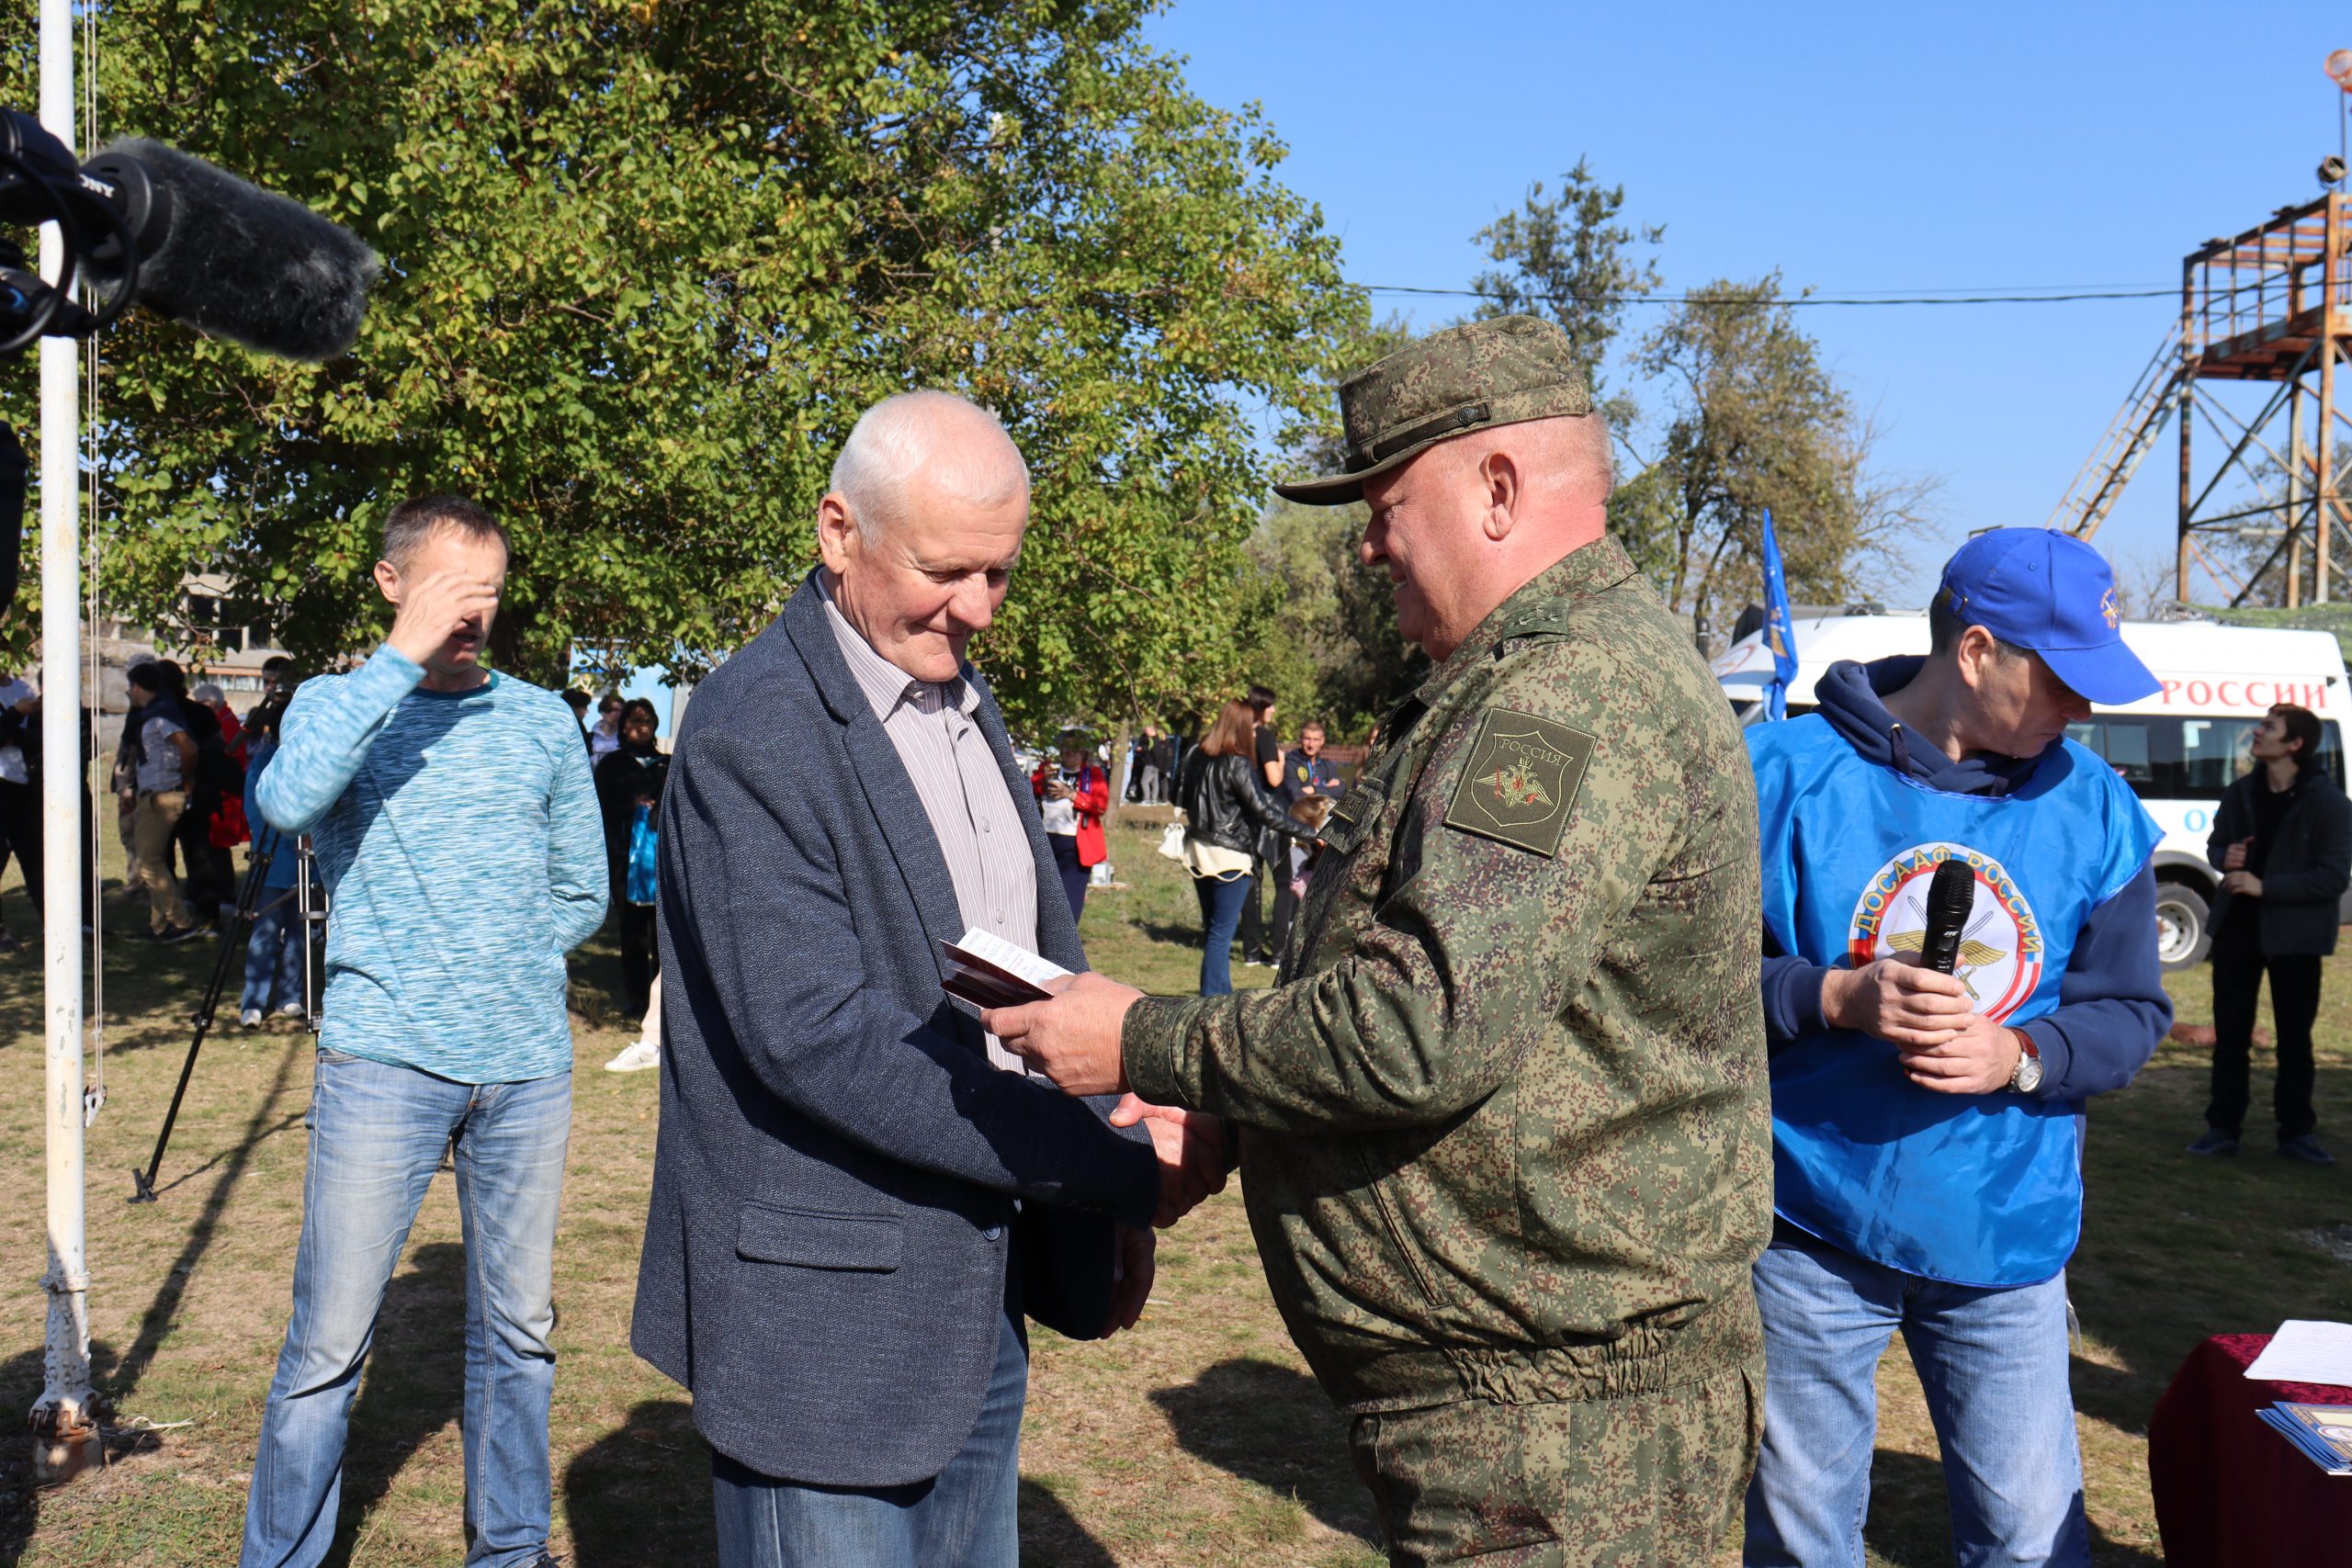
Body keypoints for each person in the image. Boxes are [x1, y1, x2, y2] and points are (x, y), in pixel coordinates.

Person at [986, 315, 1773, 1566]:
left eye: (1385, 506)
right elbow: (1438, 996)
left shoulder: (1566, 695)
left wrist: (1139, 1039)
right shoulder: (1527, 678)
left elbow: (1416, 1026)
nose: (1366, 546)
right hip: (1526, 1412)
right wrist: (1236, 1111)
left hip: (1558, 1436)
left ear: (1498, 490)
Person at [629, 389, 1223, 1568]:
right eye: (947, 571)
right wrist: (1105, 1168)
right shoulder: (758, 727)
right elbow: (820, 1037)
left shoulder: (956, 694)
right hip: (825, 1336)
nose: (979, 608)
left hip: (970, 1306)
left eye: (999, 573)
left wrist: (1108, 1123)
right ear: (837, 532)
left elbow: (1012, 964)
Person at [1737, 527, 2173, 1565]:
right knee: (1801, 1534)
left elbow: (2129, 1012)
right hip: (1805, 1227)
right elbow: (1669, 983)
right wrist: (1829, 995)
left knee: (2029, 1538)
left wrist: (2018, 1055)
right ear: (1976, 652)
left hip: (2004, 1237)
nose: (2083, 710)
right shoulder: (1777, 776)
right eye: (2062, 681)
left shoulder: (2096, 808)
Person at [241, 492, 605, 1568]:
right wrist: (397, 660)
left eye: (488, 592)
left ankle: (510, 1552)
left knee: (520, 1339)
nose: (471, 613)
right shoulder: (336, 704)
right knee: (326, 1348)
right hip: (383, 1063)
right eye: (451, 590)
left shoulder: (540, 719)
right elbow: (286, 805)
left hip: (526, 1070)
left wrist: (503, 956)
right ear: (391, 583)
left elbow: (582, 886)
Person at [2190, 702, 2349, 1165]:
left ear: (2295, 743)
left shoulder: (2330, 803)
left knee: (2295, 1040)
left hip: (2296, 939)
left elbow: (2333, 877)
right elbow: (2216, 847)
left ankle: (2296, 1135)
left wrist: (2265, 887)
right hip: (2237, 932)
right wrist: (2226, 857)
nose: (2257, 732)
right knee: (2231, 1037)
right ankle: (2222, 1129)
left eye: (2269, 727)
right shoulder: (2240, 791)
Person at [1173, 699, 1305, 998]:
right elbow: (1263, 811)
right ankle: (1211, 1000)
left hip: (1198, 850)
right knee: (1221, 934)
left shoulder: (1196, 755)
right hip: (1230, 854)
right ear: (1244, 727)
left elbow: (1176, 795)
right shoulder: (1238, 762)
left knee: (1215, 931)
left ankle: (1221, 996)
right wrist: (1308, 832)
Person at [237, 685, 308, 1028]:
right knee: (265, 931)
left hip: (305, 863)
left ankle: (291, 995)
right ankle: (253, 1001)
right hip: (272, 860)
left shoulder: (312, 761)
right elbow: (255, 809)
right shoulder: (264, 762)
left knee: (299, 933)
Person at [594, 695, 669, 1021]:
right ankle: (637, 1000)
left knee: (664, 934)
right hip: (626, 860)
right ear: (623, 726)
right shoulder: (612, 766)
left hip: (662, 864)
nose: (641, 726)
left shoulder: (667, 764)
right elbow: (601, 809)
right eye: (634, 720)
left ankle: (665, 1002)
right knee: (633, 931)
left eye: (647, 720)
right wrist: (633, 805)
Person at [121, 660, 204, 942]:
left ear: (137, 687)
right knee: (152, 860)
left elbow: (188, 748)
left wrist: (186, 776)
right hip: (151, 793)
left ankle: (180, 922)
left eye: (130, 687)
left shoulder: (160, 716)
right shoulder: (152, 714)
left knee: (148, 863)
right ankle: (159, 925)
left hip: (163, 794)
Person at [1270, 718, 1343, 959]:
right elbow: (1296, 794)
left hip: (1321, 835)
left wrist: (1316, 789)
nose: (1311, 744)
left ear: (1322, 741)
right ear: (1301, 740)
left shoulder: (1327, 765)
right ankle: (1283, 947)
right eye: (1307, 739)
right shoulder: (1292, 763)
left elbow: (1341, 789)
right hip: (1297, 836)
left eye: (1316, 739)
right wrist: (1325, 789)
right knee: (1293, 887)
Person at [1032, 728, 1110, 925]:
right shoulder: (1050, 770)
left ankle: (1066, 937)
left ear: (1084, 751)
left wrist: (1070, 794)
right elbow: (1031, 791)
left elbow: (1100, 806)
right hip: (1045, 840)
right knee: (1041, 896)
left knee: (1070, 899)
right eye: (1065, 747)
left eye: (1075, 748)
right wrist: (1042, 780)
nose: (1069, 752)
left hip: (1076, 845)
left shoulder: (1092, 774)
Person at [1235, 683, 1283, 965]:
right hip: (1267, 817)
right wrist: (1281, 760)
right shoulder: (1264, 737)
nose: (1273, 710)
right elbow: (1274, 779)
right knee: (1283, 882)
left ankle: (1250, 950)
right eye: (1270, 705)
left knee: (1251, 882)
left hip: (1242, 816)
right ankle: (1278, 950)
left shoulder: (1236, 736)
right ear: (1260, 707)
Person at [587, 692, 623, 759]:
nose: (618, 715)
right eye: (614, 710)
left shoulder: (625, 739)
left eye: (621, 711)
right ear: (603, 712)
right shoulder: (589, 739)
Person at [560, 685, 593, 750]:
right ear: (573, 707)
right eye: (584, 707)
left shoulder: (577, 724)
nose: (587, 711)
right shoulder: (570, 727)